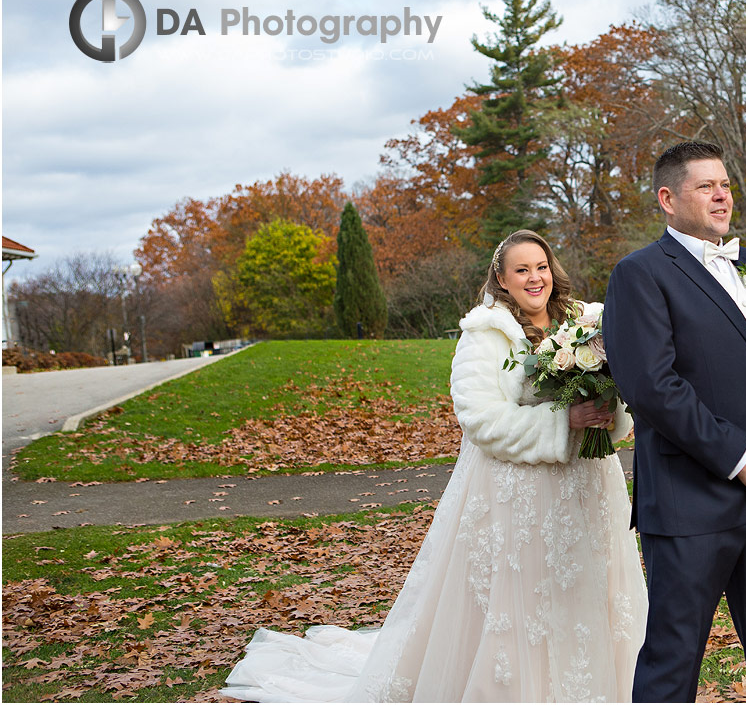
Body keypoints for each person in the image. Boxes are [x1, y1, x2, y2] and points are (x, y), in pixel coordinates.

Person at [221, 229, 646, 702]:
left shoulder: (585, 324)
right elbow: (481, 419)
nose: (535, 278)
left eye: (541, 267)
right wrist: (563, 421)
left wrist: (608, 416)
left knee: (585, 594)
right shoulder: (486, 333)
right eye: (522, 270)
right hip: (521, 500)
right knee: (526, 603)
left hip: (587, 491)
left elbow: (620, 393)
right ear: (501, 280)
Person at [602, 141, 746, 702]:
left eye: (724, 183)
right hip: (689, 506)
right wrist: (742, 458)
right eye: (705, 186)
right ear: (668, 200)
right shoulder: (640, 275)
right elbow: (653, 389)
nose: (722, 194)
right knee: (673, 661)